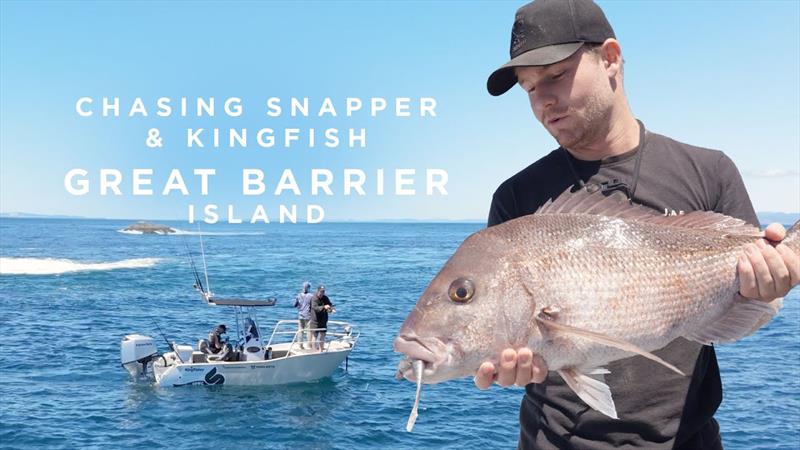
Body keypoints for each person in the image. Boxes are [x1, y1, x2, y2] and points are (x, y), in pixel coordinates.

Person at [479, 1, 800, 449]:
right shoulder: (516, 198)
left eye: (555, 75)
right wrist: (506, 364)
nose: (542, 100)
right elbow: (513, 334)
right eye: (529, 88)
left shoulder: (709, 171)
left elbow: (755, 303)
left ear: (610, 58)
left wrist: (772, 283)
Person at [311, 285, 335, 352]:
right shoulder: (314, 298)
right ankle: (314, 350)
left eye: (323, 291)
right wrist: (324, 307)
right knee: (315, 336)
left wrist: (332, 309)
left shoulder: (325, 298)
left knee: (323, 335)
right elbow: (315, 308)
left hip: (323, 320)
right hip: (315, 321)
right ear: (318, 291)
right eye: (321, 291)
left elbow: (329, 304)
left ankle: (321, 349)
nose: (322, 293)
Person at [293, 281, 314, 349]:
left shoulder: (298, 295)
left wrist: (300, 306)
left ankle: (300, 345)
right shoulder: (311, 296)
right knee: (309, 331)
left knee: (300, 330)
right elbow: (313, 306)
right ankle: (309, 345)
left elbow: (294, 305)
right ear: (308, 288)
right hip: (308, 315)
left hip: (300, 315)